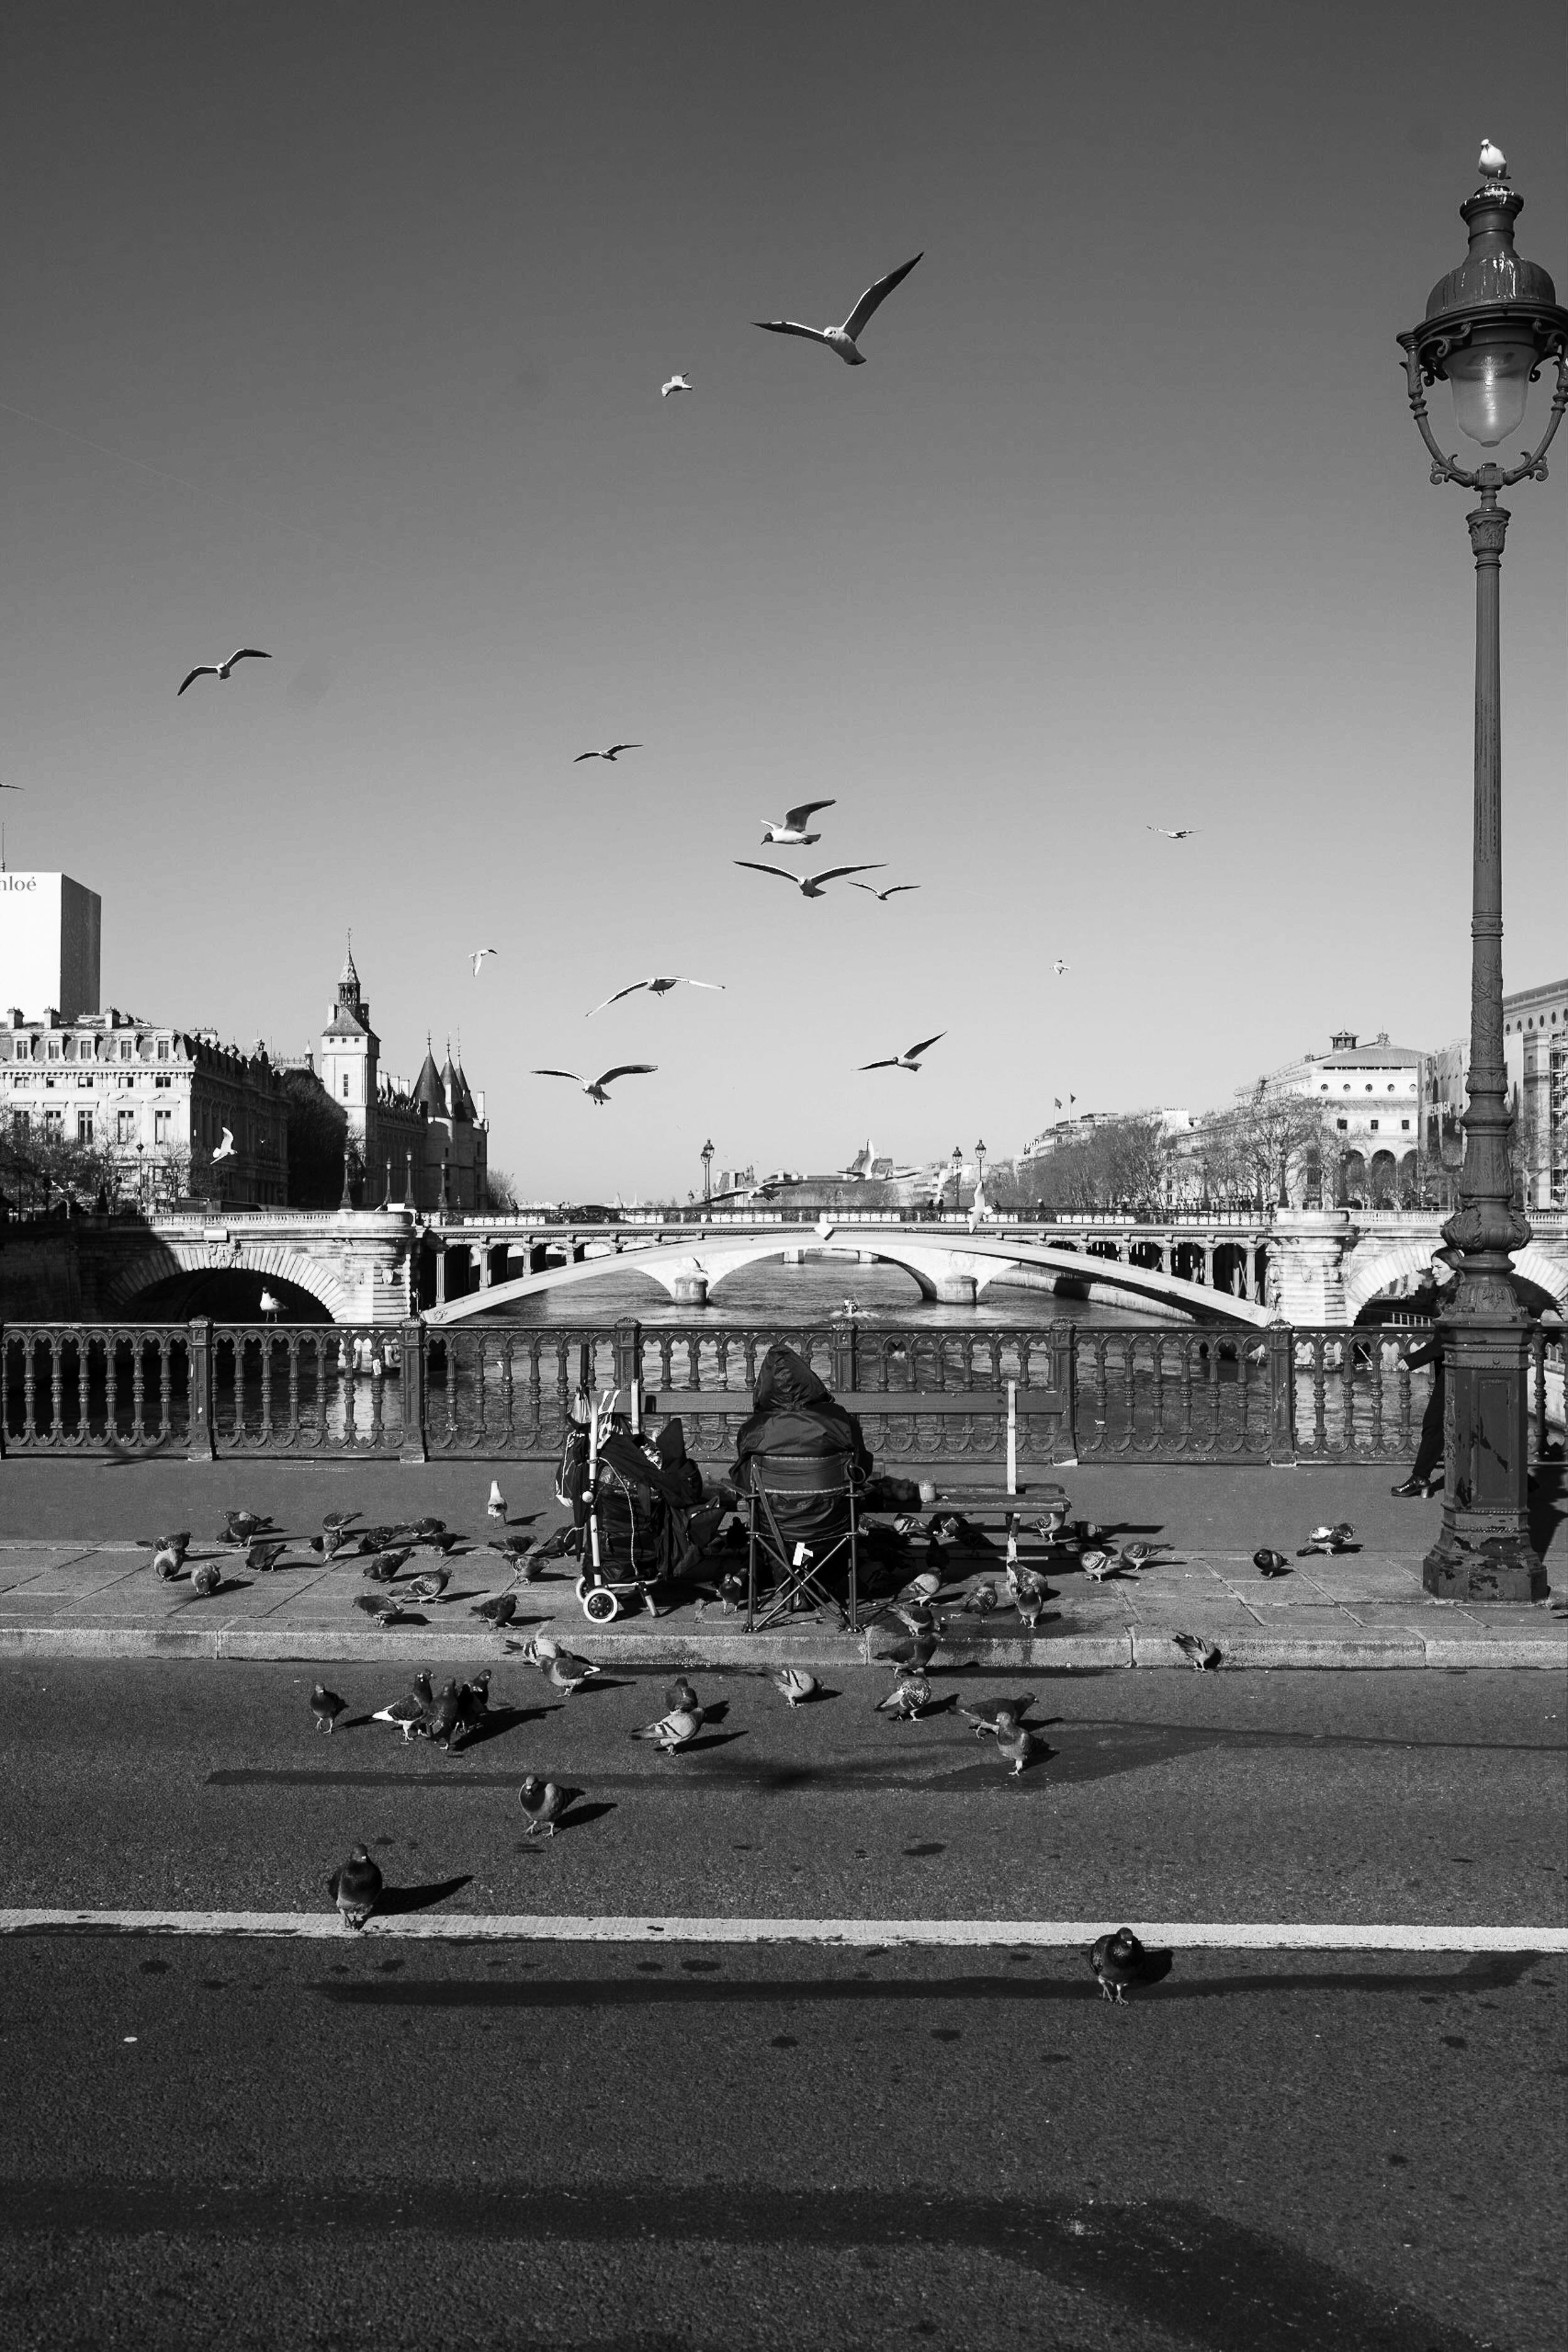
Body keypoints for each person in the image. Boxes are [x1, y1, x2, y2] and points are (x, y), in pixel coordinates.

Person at [728, 1342, 935, 1548]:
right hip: (833, 1534)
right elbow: (862, 1470)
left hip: (774, 1537)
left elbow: (743, 1481)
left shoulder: (753, 1430)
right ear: (809, 1381)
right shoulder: (839, 1422)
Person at [1392, 1287, 1446, 1498]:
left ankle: (1421, 1477)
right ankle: (1421, 1477)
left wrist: (1412, 1361)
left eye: (1440, 1266)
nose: (1434, 1271)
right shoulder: (1450, 1295)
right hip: (1451, 1372)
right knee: (1437, 1424)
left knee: (1435, 1424)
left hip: (1460, 1373)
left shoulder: (1463, 1294)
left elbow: (1445, 1341)